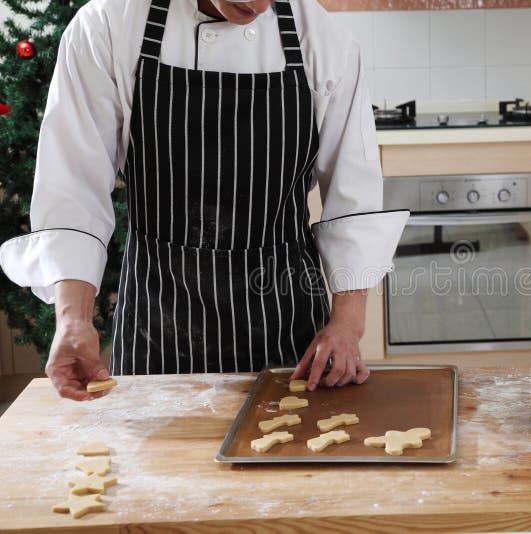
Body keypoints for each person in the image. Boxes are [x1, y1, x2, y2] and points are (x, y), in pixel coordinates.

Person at [0, 0, 408, 400]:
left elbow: (355, 197)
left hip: (287, 327)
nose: (259, 4)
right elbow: (73, 187)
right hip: (157, 323)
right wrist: (73, 320)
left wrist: (348, 325)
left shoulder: (323, 39)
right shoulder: (109, 25)